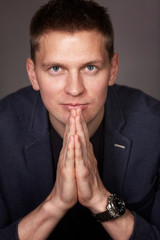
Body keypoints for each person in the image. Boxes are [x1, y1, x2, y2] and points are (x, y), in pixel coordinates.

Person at [0, 0, 160, 239]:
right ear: (33, 75)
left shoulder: (154, 127)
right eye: (56, 68)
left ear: (113, 69)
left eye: (90, 67)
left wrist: (99, 199)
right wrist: (53, 206)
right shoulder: (3, 129)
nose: (74, 90)